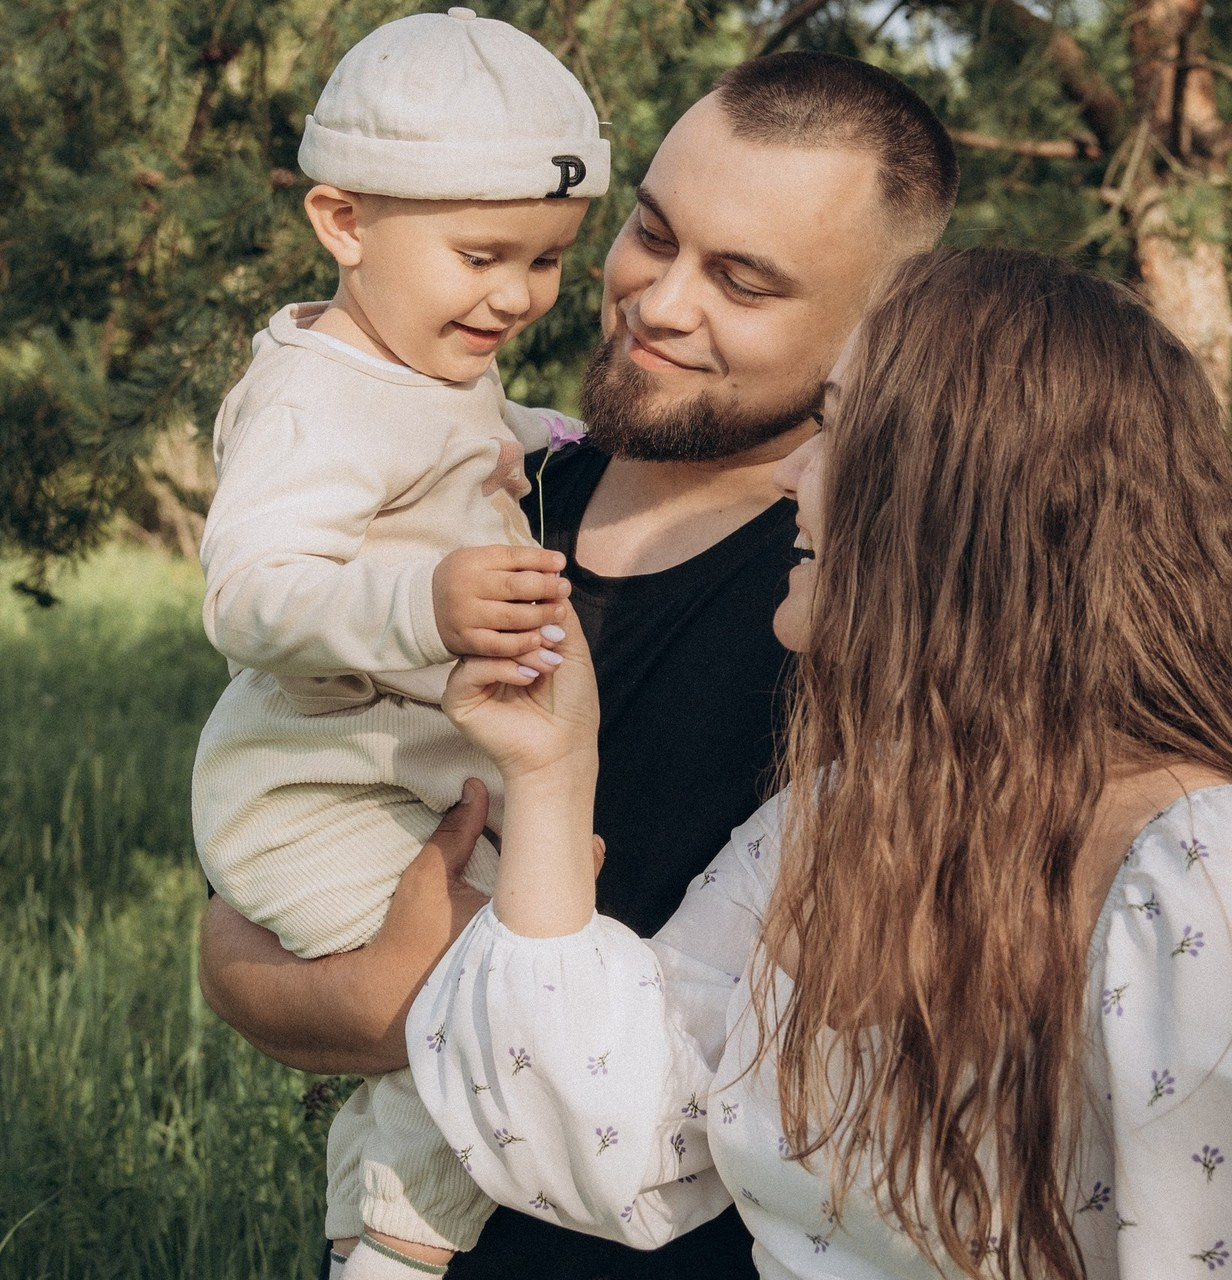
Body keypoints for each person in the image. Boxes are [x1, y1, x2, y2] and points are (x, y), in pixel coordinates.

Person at [197, 52, 959, 1279]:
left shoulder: (861, 607)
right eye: (650, 236)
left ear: (879, 324)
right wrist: (358, 996)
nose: (655, 303)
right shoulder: (478, 496)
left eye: (741, 282)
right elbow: (244, 917)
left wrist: (419, 996)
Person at [416, 245, 1232, 1280]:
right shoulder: (839, 810)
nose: (793, 471)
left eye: (836, 428)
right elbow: (614, 1141)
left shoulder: (1194, 873)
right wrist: (548, 771)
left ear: (961, 490)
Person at [191, 10, 610, 1277]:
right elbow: (249, 592)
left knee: (497, 982)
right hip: (312, 787)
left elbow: (456, 433)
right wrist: (421, 601)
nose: (517, 294)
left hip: (396, 772)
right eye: (485, 253)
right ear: (343, 223)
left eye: (545, 260)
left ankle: (392, 1213)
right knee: (476, 999)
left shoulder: (419, 351)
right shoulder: (312, 401)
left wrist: (550, 433)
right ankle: (386, 1247)